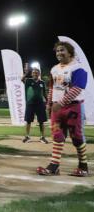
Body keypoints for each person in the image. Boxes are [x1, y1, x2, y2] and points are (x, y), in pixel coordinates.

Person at [37, 41, 89, 177]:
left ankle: (83, 166)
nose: (59, 53)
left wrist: (61, 102)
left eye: (62, 50)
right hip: (57, 108)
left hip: (73, 107)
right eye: (57, 51)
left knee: (76, 137)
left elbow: (77, 88)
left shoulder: (78, 68)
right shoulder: (55, 69)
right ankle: (54, 166)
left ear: (70, 52)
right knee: (57, 135)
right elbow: (52, 88)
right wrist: (49, 104)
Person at [21, 67, 48, 144]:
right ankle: (27, 136)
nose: (35, 74)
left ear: (39, 74)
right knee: (28, 121)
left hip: (40, 104)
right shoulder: (28, 81)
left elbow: (45, 94)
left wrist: (48, 102)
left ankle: (42, 137)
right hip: (30, 104)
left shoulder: (42, 83)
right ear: (32, 74)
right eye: (33, 72)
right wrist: (26, 73)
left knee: (41, 121)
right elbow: (22, 79)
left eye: (36, 72)